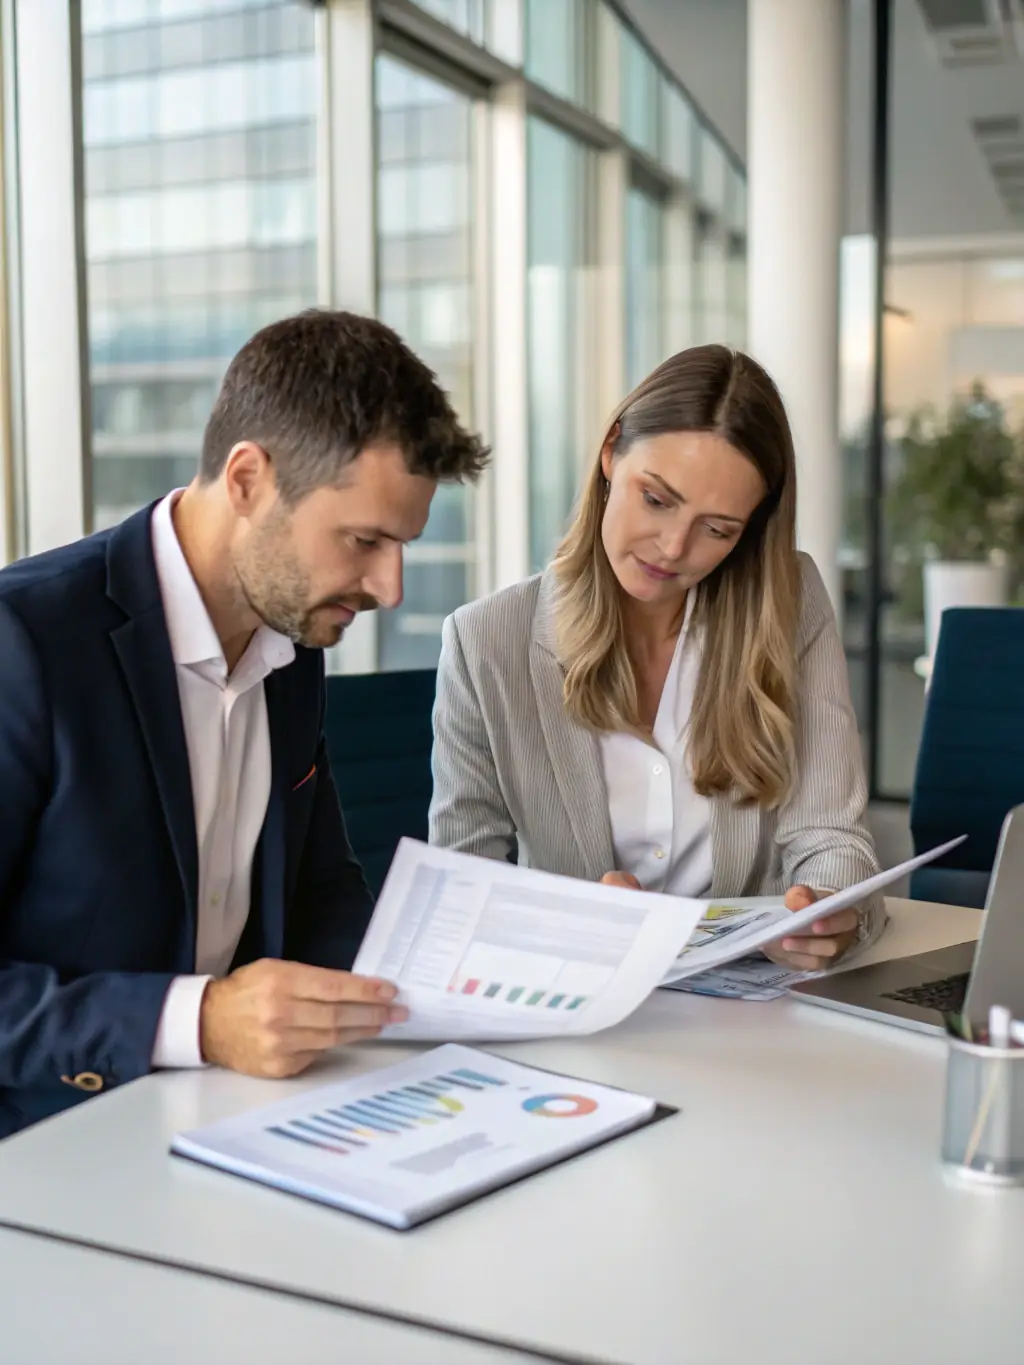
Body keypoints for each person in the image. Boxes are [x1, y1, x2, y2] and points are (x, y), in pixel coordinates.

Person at [0, 309, 488, 1137]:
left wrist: (446, 990)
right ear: (248, 479)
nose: (390, 586)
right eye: (365, 539)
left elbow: (321, 888)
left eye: (401, 544)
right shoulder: (25, 643)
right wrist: (201, 1020)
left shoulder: (292, 640)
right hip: (54, 1148)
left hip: (242, 1119)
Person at [430, 345, 885, 967]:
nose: (673, 548)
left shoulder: (789, 603)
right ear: (611, 451)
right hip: (576, 1004)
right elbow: (462, 887)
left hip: (750, 1012)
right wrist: (568, 920)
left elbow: (831, 834)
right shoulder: (485, 642)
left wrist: (830, 907)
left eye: (718, 529)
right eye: (657, 499)